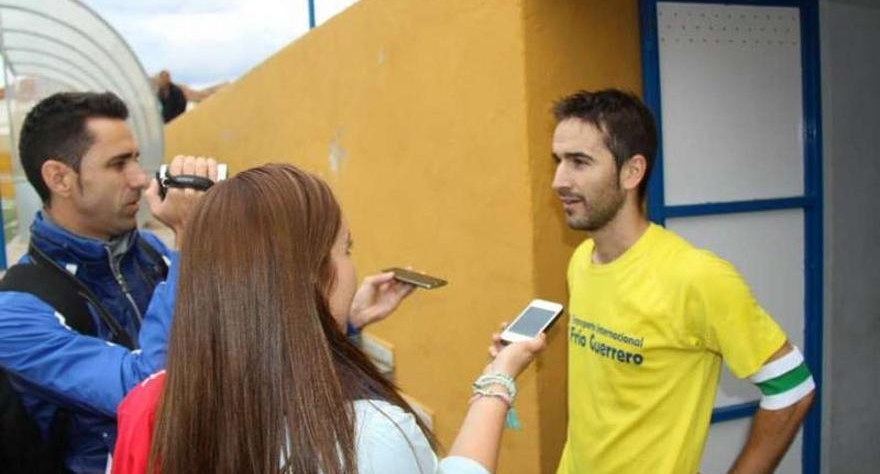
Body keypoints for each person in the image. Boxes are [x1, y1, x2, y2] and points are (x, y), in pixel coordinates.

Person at [111, 163, 546, 474]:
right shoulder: (362, 436)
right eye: (347, 249)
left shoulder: (174, 407)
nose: (353, 265)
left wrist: (342, 322)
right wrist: (500, 377)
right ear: (314, 273)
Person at [550, 89, 815, 473]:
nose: (559, 180)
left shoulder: (695, 276)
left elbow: (792, 388)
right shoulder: (581, 261)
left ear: (632, 171)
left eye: (579, 162)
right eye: (557, 161)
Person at [0, 91, 217, 473]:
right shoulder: (16, 313)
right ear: (59, 178)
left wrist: (338, 320)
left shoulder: (151, 252)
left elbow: (222, 344)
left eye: (135, 158)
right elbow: (150, 388)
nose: (139, 178)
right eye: (118, 164)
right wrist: (190, 236)